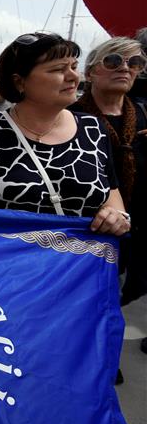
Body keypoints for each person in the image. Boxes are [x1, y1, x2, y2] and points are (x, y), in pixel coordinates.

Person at [0, 32, 130, 236]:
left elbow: (112, 195)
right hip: (0, 265)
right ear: (20, 82)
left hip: (75, 266)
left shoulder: (93, 129)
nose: (74, 76)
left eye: (74, 67)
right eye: (58, 69)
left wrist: (117, 216)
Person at [70, 37, 147, 308]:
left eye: (134, 63)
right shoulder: (70, 116)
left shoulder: (143, 114)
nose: (125, 68)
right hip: (88, 234)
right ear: (91, 72)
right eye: (114, 61)